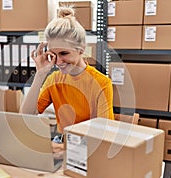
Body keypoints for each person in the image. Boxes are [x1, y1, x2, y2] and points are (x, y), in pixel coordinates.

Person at [20, 6, 114, 146]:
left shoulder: (101, 83)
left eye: (64, 53)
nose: (57, 61)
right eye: (53, 54)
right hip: (62, 144)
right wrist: (40, 75)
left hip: (88, 147)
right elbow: (26, 116)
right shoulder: (54, 79)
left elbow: (104, 134)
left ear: (81, 50)